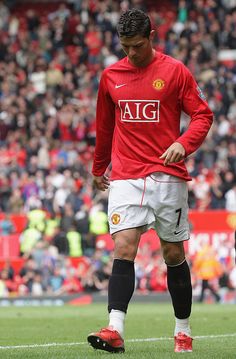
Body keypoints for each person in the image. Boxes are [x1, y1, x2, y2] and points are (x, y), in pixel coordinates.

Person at [87, 8, 213, 354]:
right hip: (126, 174)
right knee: (124, 245)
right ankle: (115, 329)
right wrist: (99, 167)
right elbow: (103, 127)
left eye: (138, 46)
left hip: (167, 175)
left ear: (152, 37)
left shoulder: (175, 71)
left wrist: (183, 143)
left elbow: (203, 114)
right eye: (126, 46)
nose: (132, 53)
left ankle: (183, 331)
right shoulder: (111, 76)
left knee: (173, 253)